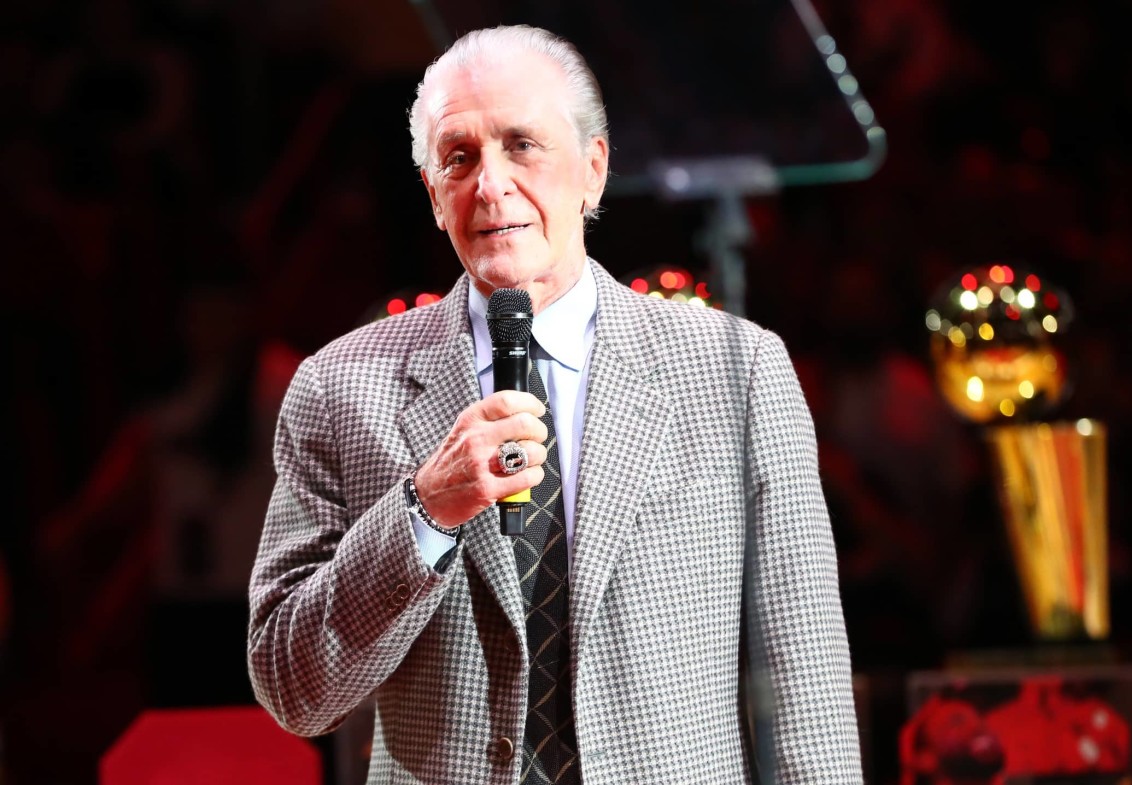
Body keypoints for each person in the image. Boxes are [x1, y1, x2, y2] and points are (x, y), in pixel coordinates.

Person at [247, 24, 862, 784]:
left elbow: (805, 676)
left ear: (593, 171)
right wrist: (425, 510)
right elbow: (291, 689)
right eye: (460, 157)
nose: (491, 183)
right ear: (434, 194)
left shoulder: (734, 369)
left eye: (522, 145)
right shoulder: (341, 387)